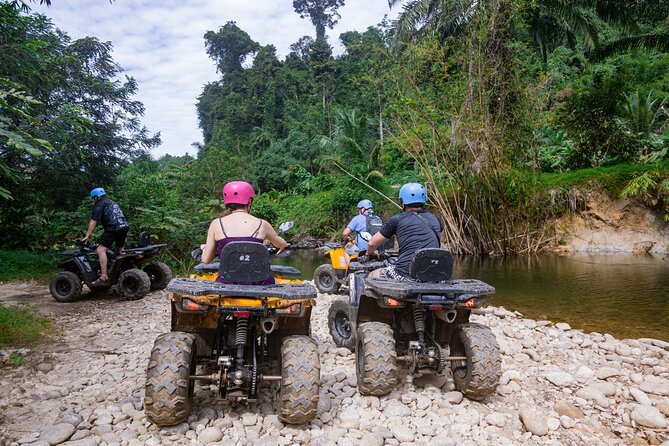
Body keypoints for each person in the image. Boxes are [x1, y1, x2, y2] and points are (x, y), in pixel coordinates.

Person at [201, 181, 289, 284]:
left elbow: (206, 260)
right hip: (259, 284)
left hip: (226, 283)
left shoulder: (216, 224)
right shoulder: (262, 224)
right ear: (249, 201)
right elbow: (280, 244)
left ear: (227, 202)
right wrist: (284, 244)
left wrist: (204, 249)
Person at [366, 183, 442, 282]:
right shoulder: (435, 219)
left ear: (403, 202)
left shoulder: (397, 219)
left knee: (372, 275)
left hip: (406, 274)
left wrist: (370, 253)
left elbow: (372, 243)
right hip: (433, 276)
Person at [82, 187, 129, 285]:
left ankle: (104, 276)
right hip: (124, 227)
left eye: (93, 198)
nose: (93, 200)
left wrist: (87, 236)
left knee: (100, 249)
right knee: (120, 250)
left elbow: (94, 220)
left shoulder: (99, 204)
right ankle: (123, 272)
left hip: (113, 228)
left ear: (96, 197)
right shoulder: (112, 202)